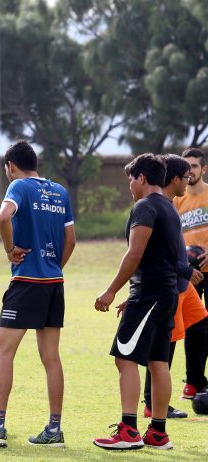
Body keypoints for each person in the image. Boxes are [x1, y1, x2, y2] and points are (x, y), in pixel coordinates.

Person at [0, 140, 75, 448]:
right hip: (54, 284)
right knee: (51, 357)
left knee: (3, 353)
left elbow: (3, 218)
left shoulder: (19, 187)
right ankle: (54, 430)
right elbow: (71, 240)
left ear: (10, 166)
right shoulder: (60, 192)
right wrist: (53, 267)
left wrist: (9, 250)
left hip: (27, 282)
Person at [93, 154, 180, 451]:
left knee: (125, 358)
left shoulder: (144, 207)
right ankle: (158, 433)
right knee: (158, 362)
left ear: (142, 177)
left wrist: (111, 292)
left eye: (131, 179)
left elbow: (134, 254)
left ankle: (128, 430)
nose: (129, 185)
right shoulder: (169, 208)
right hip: (166, 294)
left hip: (149, 294)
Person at [142, 154, 208, 418]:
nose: (188, 178)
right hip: (174, 281)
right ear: (174, 178)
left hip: (183, 280)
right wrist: (185, 268)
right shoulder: (160, 206)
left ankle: (195, 380)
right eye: (184, 174)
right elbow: (154, 252)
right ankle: (152, 404)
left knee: (202, 325)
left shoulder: (167, 204)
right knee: (165, 340)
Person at [174, 148, 208, 306]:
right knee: (191, 325)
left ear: (204, 169)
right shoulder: (176, 200)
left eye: (194, 166)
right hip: (189, 272)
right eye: (187, 167)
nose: (190, 171)